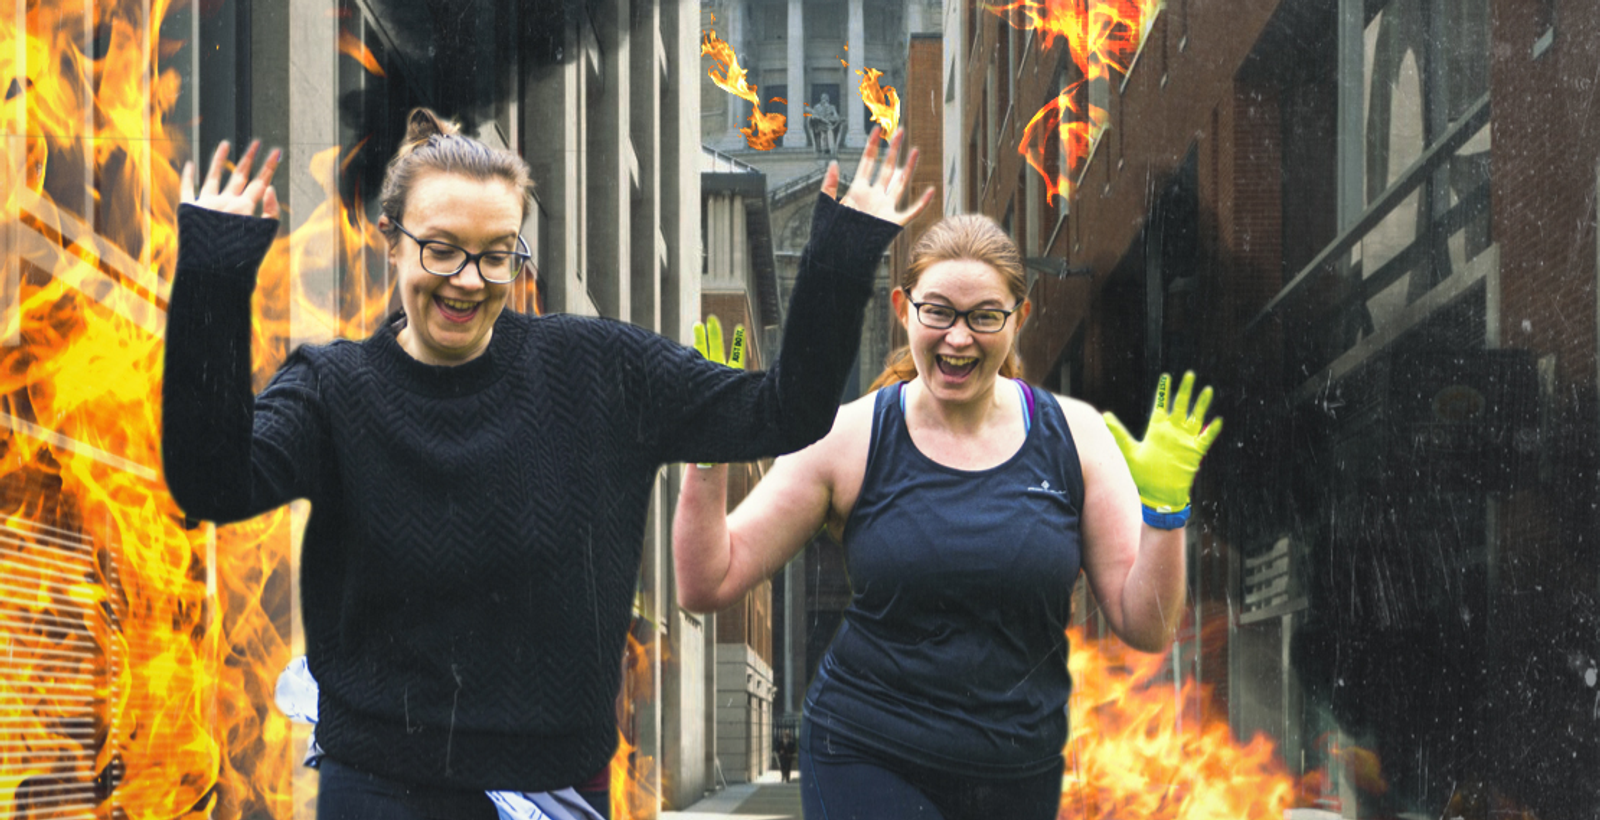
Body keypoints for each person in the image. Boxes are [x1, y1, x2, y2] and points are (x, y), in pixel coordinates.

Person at [162, 110, 932, 819]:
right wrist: (211, 280)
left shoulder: (600, 369)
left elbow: (783, 412)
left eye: (496, 255)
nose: (469, 279)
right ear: (392, 242)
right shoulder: (333, 389)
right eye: (441, 250)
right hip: (378, 786)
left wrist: (842, 251)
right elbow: (212, 482)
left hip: (557, 786)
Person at [671, 214, 1221, 820]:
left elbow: (1147, 625)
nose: (958, 337)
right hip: (868, 751)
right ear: (905, 309)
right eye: (938, 312)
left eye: (985, 316)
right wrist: (707, 454)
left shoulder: (1078, 438)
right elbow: (707, 582)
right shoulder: (848, 437)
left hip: (1018, 768)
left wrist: (1165, 512)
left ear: (1020, 318)